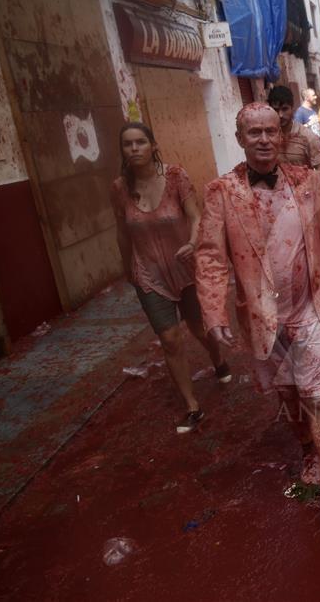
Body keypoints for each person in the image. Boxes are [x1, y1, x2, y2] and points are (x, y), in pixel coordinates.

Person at [195, 103, 320, 519]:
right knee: (288, 395)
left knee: (318, 394)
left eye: (270, 131)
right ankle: (307, 451)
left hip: (311, 308)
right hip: (263, 318)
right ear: (240, 138)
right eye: (254, 133)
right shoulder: (220, 192)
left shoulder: (307, 180)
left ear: (281, 135)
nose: (263, 140)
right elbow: (210, 257)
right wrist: (214, 314)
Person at [110, 122, 230, 434]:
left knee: (199, 328)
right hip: (149, 274)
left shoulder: (176, 176)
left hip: (184, 267)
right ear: (122, 150)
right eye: (128, 144)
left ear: (152, 146)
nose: (134, 148)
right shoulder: (120, 188)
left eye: (140, 142)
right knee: (170, 339)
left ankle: (218, 361)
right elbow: (123, 232)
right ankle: (192, 405)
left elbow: (195, 215)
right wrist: (128, 270)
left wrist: (193, 243)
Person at [268, 85, 320, 183]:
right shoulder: (266, 136)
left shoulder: (308, 137)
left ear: (293, 108)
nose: (280, 115)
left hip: (303, 195)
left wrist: (299, 178)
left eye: (284, 109)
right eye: (276, 110)